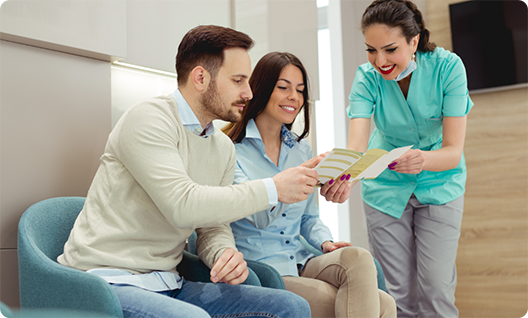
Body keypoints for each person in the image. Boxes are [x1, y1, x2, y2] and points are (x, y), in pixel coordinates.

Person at [58, 25, 319, 318]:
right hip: (107, 281)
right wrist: (273, 188)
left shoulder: (221, 146)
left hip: (169, 281)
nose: (248, 92)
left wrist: (222, 253)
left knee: (290, 306)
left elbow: (213, 225)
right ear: (200, 78)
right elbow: (182, 205)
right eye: (238, 80)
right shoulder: (148, 119)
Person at [223, 52, 396, 318]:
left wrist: (325, 242)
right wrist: (291, 179)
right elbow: (257, 216)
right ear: (261, 89)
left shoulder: (301, 149)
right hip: (264, 270)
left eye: (300, 90)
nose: (294, 96)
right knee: (383, 305)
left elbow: (308, 217)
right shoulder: (230, 151)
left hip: (302, 258)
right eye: (283, 87)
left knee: (359, 258)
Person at [342, 0, 474, 317]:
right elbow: (357, 144)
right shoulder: (366, 77)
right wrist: (343, 174)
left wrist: (422, 160)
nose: (380, 61)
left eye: (390, 49)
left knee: (436, 291)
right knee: (396, 296)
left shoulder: (448, 68)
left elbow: (453, 151)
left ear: (413, 41)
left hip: (440, 182)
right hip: (385, 186)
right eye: (371, 50)